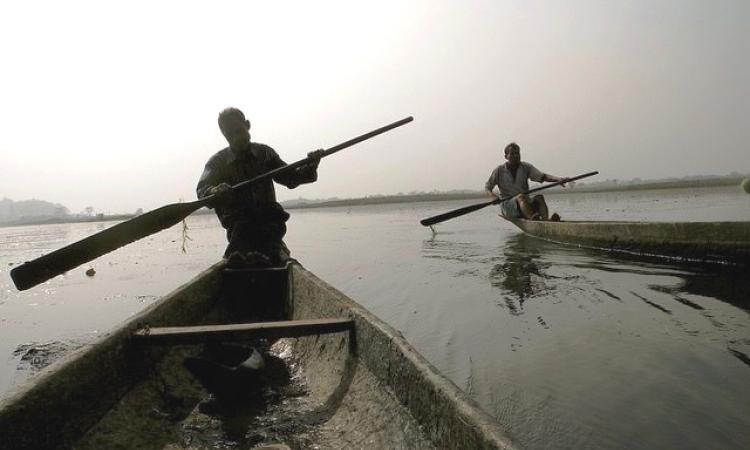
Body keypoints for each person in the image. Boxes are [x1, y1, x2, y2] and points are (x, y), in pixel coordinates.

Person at [197, 107, 324, 265]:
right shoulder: (217, 162)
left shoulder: (265, 153)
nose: (236, 138)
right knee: (240, 238)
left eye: (239, 131)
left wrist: (311, 165)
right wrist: (214, 191)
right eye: (230, 135)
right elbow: (202, 190)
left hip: (270, 223)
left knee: (271, 234)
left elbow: (291, 178)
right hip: (239, 228)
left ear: (248, 125)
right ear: (224, 136)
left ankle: (267, 256)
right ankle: (240, 259)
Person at [485, 142, 568, 221]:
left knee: (539, 197)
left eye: (517, 153)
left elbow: (543, 176)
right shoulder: (499, 170)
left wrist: (558, 179)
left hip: (525, 203)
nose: (516, 156)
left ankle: (545, 221)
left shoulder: (525, 167)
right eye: (512, 154)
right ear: (506, 156)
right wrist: (493, 197)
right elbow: (488, 187)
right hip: (508, 206)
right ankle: (533, 219)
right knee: (520, 196)